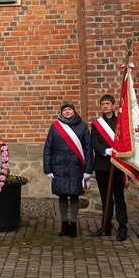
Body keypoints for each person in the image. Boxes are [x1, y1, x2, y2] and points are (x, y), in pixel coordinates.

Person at [43, 101, 92, 238]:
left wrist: (88, 170)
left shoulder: (82, 127)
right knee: (62, 195)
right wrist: (48, 170)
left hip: (76, 167)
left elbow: (88, 149)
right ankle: (65, 225)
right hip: (59, 168)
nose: (67, 111)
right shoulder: (55, 127)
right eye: (65, 110)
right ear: (61, 112)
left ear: (74, 111)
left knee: (75, 195)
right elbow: (48, 149)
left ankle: (74, 225)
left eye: (69, 109)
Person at [90, 94, 127, 241]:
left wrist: (117, 151)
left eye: (108, 103)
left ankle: (122, 228)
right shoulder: (96, 124)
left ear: (113, 106)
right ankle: (106, 226)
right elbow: (94, 143)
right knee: (106, 199)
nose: (105, 106)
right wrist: (106, 151)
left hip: (117, 166)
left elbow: (125, 141)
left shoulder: (121, 123)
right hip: (102, 166)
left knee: (119, 198)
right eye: (102, 104)